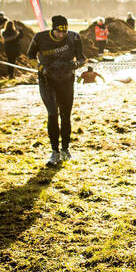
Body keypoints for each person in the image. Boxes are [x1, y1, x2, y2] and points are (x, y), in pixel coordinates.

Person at [28, 15, 87, 165]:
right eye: (58, 32)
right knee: (53, 113)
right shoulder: (40, 38)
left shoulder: (74, 38)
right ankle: (54, 152)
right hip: (47, 80)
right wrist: (40, 67)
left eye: (64, 32)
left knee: (65, 115)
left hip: (66, 80)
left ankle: (65, 149)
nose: (62, 35)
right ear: (53, 29)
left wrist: (76, 64)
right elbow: (30, 56)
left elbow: (82, 59)